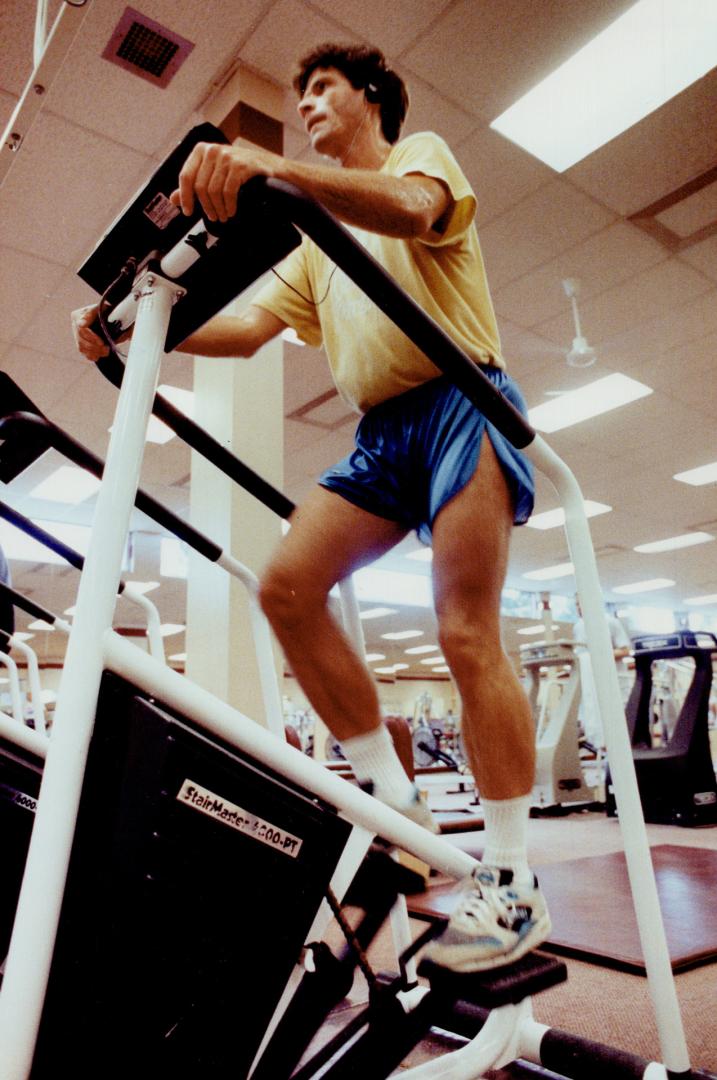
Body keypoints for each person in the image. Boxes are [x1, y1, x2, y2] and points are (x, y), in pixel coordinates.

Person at [72, 43, 549, 973]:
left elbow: (416, 210)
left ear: (370, 96)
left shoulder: (422, 160)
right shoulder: (315, 247)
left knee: (464, 633)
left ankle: (515, 883)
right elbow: (244, 330)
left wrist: (267, 166)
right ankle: (391, 803)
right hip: (383, 436)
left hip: (460, 397)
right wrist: (127, 330)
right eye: (301, 94)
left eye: (322, 87)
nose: (307, 104)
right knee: (286, 587)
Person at [573, 596, 633, 746]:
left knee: (619, 723)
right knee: (596, 721)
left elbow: (625, 650)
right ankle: (602, 751)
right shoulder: (578, 626)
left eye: (580, 603)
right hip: (591, 684)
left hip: (615, 683)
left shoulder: (611, 622)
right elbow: (580, 655)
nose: (578, 608)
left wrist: (599, 656)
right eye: (576, 604)